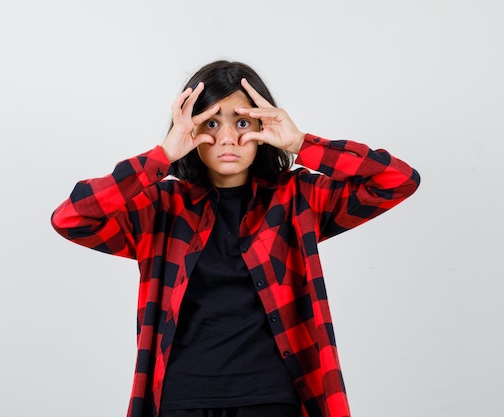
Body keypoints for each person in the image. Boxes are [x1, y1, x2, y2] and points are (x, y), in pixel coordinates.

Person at [51, 60, 420, 417]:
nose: (228, 138)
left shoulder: (298, 199)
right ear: (191, 131)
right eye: (211, 122)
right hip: (182, 397)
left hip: (273, 396)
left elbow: (397, 180)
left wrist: (301, 143)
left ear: (263, 126)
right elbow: (72, 216)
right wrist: (161, 156)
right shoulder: (161, 207)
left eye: (242, 122)